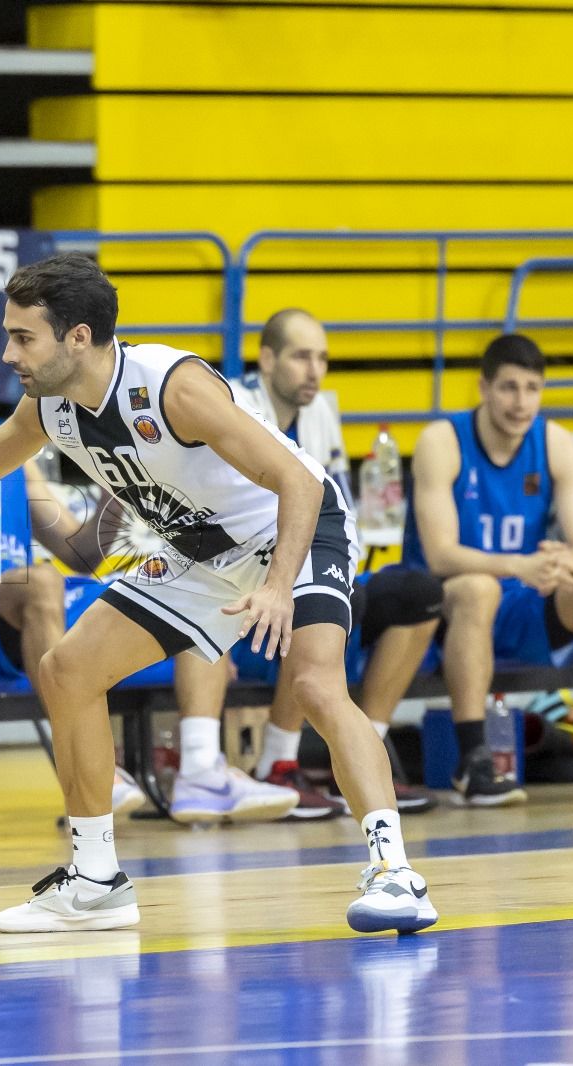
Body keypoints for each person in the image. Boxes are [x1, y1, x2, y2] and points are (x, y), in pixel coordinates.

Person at [0, 253, 437, 936]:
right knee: (67, 669)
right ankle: (96, 878)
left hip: (292, 530)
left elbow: (299, 484)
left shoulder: (171, 386)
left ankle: (396, 874)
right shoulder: (52, 405)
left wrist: (280, 587)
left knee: (313, 684)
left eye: (22, 337)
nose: (6, 353)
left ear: (77, 337)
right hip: (197, 551)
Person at [173, 309, 440, 821]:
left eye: (321, 358)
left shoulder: (321, 412)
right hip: (242, 572)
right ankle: (277, 762)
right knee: (295, 591)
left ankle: (363, 759)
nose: (314, 370)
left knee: (418, 592)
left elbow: (336, 510)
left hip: (308, 561)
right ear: (267, 359)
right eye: (301, 357)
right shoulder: (227, 403)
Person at [0, 299, 147, 815]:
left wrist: (119, 491)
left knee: (152, 586)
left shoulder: (11, 444)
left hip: (26, 612)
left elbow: (80, 554)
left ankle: (185, 763)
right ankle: (90, 770)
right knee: (40, 583)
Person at [406, 334, 573, 804]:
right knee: (480, 588)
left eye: (532, 389)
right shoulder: (442, 441)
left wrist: (563, 560)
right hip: (446, 607)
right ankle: (473, 760)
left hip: (523, 597)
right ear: (483, 388)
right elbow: (440, 554)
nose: (521, 403)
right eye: (509, 388)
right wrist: (519, 565)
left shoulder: (556, 442)